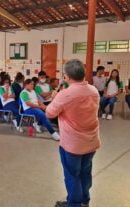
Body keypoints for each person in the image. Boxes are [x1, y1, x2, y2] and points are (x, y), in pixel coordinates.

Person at [46, 60, 100, 207]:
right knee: (85, 172)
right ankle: (84, 201)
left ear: (68, 77)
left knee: (72, 176)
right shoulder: (94, 90)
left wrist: (55, 96)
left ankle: (74, 204)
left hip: (73, 145)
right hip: (91, 141)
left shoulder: (65, 94)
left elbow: (50, 113)